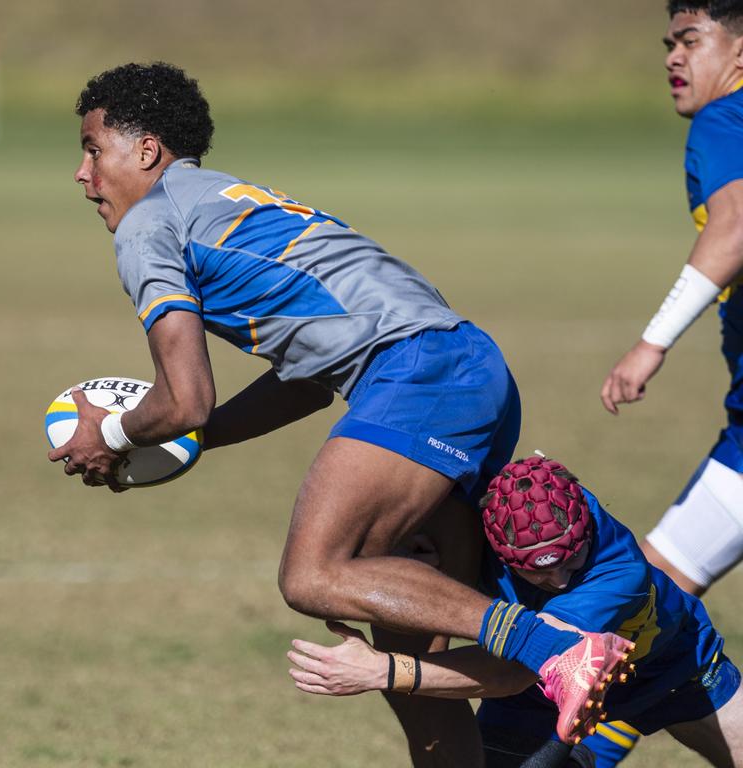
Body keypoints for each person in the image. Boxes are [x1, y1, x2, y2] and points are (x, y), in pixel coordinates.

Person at [47, 62, 632, 746]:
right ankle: (550, 659)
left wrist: (111, 433)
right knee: (412, 671)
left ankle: (554, 649)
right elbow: (304, 380)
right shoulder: (221, 200)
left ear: (146, 150)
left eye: (92, 150)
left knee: (314, 575)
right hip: (465, 367)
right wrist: (183, 442)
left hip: (417, 375)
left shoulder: (147, 227)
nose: (82, 176)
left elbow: (186, 399)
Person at [287, 456, 743, 768]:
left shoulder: (617, 572)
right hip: (540, 699)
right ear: (501, 552)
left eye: (572, 560)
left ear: (581, 519)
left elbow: (509, 673)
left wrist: (383, 670)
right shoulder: (483, 523)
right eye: (539, 574)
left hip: (670, 670)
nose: (561, 580)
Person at [601, 0, 743, 597]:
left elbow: (734, 224)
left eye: (690, 40)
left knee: (640, 608)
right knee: (654, 594)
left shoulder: (725, 120)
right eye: (668, 46)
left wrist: (649, 344)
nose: (674, 58)